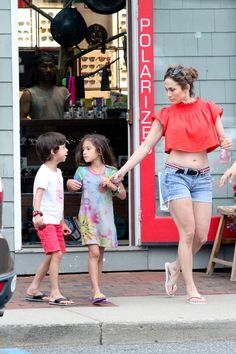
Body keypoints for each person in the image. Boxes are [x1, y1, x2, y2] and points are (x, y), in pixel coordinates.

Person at [111, 65, 232, 305]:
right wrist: (122, 171)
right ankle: (190, 288)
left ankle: (174, 267)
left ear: (186, 87)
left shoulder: (209, 109)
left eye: (172, 89)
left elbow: (222, 141)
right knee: (186, 233)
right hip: (175, 176)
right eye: (166, 89)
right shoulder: (166, 114)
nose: (168, 94)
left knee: (200, 235)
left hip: (202, 177)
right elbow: (146, 147)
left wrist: (226, 144)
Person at [67, 134, 126, 304]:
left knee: (99, 254)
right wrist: (70, 183)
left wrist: (111, 185)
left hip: (105, 219)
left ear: (99, 151)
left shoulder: (112, 172)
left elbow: (122, 195)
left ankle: (95, 289)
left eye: (88, 149)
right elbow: (72, 186)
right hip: (87, 218)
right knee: (93, 252)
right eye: (83, 149)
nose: (84, 152)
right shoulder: (82, 171)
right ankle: (96, 291)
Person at [26, 132, 74, 306]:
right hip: (45, 221)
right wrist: (37, 214)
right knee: (56, 253)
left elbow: (58, 199)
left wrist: (62, 222)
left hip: (55, 221)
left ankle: (33, 288)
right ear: (53, 151)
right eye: (63, 147)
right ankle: (55, 293)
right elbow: (38, 194)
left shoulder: (58, 172)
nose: (67, 150)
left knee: (52, 255)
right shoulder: (44, 172)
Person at [20, 52, 70, 120]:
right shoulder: (29, 94)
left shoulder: (64, 91)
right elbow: (21, 117)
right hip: (39, 130)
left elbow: (70, 116)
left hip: (60, 130)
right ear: (36, 70)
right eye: (44, 66)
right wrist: (36, 126)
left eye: (51, 66)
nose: (48, 70)